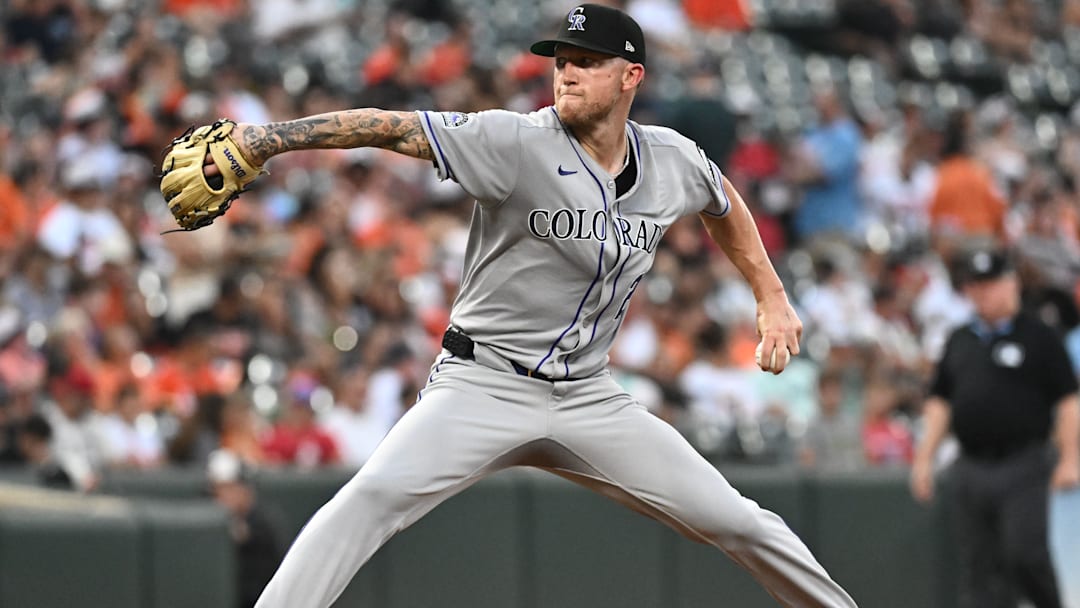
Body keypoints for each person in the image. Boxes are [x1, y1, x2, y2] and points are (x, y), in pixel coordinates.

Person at [194, 5, 857, 606]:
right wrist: (268, 139)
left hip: (589, 398)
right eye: (561, 61)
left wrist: (771, 294)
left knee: (737, 519)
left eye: (586, 64)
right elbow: (391, 129)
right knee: (369, 498)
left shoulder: (671, 160)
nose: (566, 75)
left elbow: (723, 202)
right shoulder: (513, 141)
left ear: (631, 77)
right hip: (482, 383)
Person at [911, 246, 1080, 608]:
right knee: (979, 566)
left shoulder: (1039, 335)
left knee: (1025, 553)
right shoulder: (960, 339)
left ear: (1011, 284)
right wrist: (924, 457)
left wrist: (1070, 457)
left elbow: (1068, 399)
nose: (982, 293)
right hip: (971, 464)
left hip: (1024, 462)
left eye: (990, 283)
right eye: (975, 285)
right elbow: (941, 401)